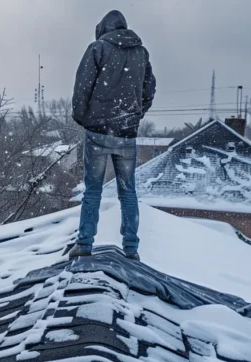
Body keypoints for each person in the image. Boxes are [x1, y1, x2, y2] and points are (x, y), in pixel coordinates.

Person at [68, 10, 156, 259]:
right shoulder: (141, 53)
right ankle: (131, 248)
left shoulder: (98, 48)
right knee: (128, 191)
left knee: (92, 190)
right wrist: (135, 115)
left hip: (98, 132)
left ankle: (84, 243)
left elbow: (82, 87)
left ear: (103, 29)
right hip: (127, 133)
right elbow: (149, 89)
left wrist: (84, 118)